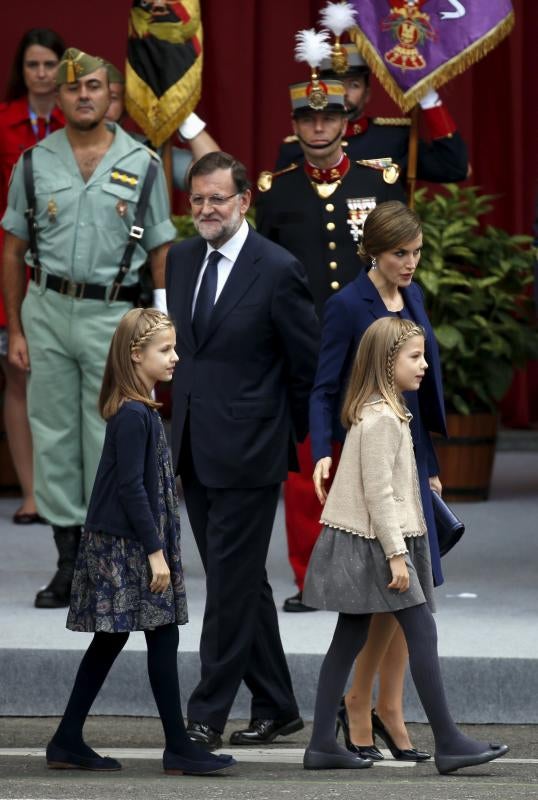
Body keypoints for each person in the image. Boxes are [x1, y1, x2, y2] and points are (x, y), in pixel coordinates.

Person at [1, 48, 176, 608]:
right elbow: (12, 249)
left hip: (111, 315)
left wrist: (164, 322)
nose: (82, 96)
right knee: (53, 436)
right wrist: (17, 328)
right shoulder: (33, 162)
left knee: (109, 438)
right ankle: (67, 563)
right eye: (73, 89)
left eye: (94, 87)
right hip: (47, 309)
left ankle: (112, 559)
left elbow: (160, 248)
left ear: (110, 95)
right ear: (59, 96)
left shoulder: (143, 163)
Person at [302, 316, 508, 775]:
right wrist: (397, 555)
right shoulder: (380, 420)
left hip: (377, 541)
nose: (424, 366)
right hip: (379, 545)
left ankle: (321, 745)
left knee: (349, 638)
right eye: (414, 357)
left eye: (423, 355)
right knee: (421, 632)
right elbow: (379, 495)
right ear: (385, 361)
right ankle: (450, 743)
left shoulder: (388, 411)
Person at [166, 151, 320, 750]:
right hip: (194, 447)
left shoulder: (278, 268)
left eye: (217, 200)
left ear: (243, 201)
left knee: (228, 584)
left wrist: (294, 437)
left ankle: (205, 712)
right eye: (197, 199)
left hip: (251, 451)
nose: (205, 210)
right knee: (242, 579)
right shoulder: (181, 259)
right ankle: (278, 704)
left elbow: (306, 366)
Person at [46, 307, 236, 777]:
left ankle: (69, 738)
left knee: (117, 639)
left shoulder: (141, 412)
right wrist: (156, 553)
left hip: (130, 541)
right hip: (127, 546)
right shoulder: (133, 416)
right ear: (136, 356)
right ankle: (176, 746)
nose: (176, 357)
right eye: (165, 350)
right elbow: (131, 488)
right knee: (157, 633)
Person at [256, 29, 405, 614]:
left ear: (347, 116)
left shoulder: (379, 183)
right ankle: (311, 578)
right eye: (307, 119)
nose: (318, 128)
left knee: (378, 460)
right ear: (295, 125)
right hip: (302, 354)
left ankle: (377, 570)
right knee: (306, 470)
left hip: (371, 347)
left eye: (330, 116)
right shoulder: (276, 193)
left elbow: (402, 263)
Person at [309, 201, 446, 760]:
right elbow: (322, 387)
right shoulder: (347, 305)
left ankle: (385, 706)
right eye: (399, 254)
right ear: (374, 252)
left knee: (409, 591)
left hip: (411, 449)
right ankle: (362, 708)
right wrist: (321, 451)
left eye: (415, 252)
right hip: (370, 449)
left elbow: (421, 378)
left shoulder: (411, 294)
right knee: (388, 592)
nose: (410, 263)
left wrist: (432, 464)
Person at [0, 28, 65, 524]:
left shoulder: (78, 121)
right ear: (20, 72)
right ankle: (31, 492)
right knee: (19, 377)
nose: (41, 75)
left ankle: (66, 490)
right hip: (11, 262)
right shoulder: (3, 122)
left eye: (49, 65)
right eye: (32, 66)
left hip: (69, 266)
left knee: (63, 382)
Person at [276, 41, 469, 184]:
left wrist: (428, 98)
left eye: (354, 84)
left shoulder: (394, 139)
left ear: (367, 94)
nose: (343, 93)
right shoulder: (296, 148)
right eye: (335, 85)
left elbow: (453, 168)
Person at [104, 61, 220, 191]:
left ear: (126, 107)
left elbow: (216, 177)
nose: (102, 104)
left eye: (112, 98)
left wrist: (179, 111)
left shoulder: (145, 152)